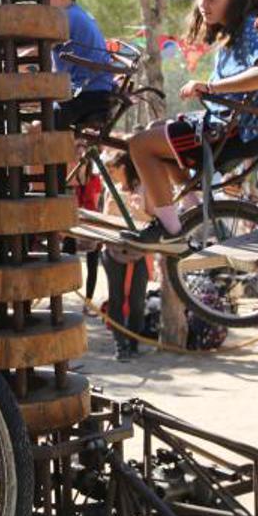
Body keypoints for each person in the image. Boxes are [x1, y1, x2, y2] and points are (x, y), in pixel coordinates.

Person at [120, 0, 258, 252]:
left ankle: (171, 231)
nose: (203, 4)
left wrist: (209, 87)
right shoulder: (236, 30)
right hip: (237, 127)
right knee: (157, 133)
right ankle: (191, 213)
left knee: (140, 145)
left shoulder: (250, 26)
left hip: (236, 131)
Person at [49, 0, 117, 130]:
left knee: (37, 123)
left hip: (85, 95)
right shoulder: (79, 14)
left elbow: (38, 51)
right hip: (97, 92)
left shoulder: (65, 18)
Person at [100, 151, 150, 362]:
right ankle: (120, 345)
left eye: (114, 169)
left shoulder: (143, 188)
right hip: (114, 252)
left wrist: (138, 211)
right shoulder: (111, 190)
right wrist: (110, 211)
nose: (111, 173)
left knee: (138, 301)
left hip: (138, 252)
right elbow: (104, 222)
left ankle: (133, 342)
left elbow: (151, 220)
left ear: (124, 168)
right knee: (116, 299)